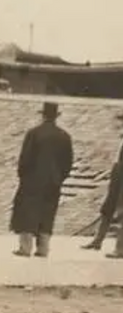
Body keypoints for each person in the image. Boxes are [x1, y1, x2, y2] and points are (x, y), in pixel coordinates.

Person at [10, 101, 74, 258]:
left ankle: (25, 248)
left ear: (43, 115)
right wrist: (59, 178)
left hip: (32, 180)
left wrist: (23, 177)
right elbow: (68, 163)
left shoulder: (33, 134)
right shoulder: (64, 136)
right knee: (48, 213)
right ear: (56, 116)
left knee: (27, 212)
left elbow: (25, 159)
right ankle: (43, 248)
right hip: (53, 182)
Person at [82, 115, 123, 252]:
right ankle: (97, 241)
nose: (118, 126)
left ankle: (120, 248)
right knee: (107, 209)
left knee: (121, 212)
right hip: (117, 176)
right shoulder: (120, 140)